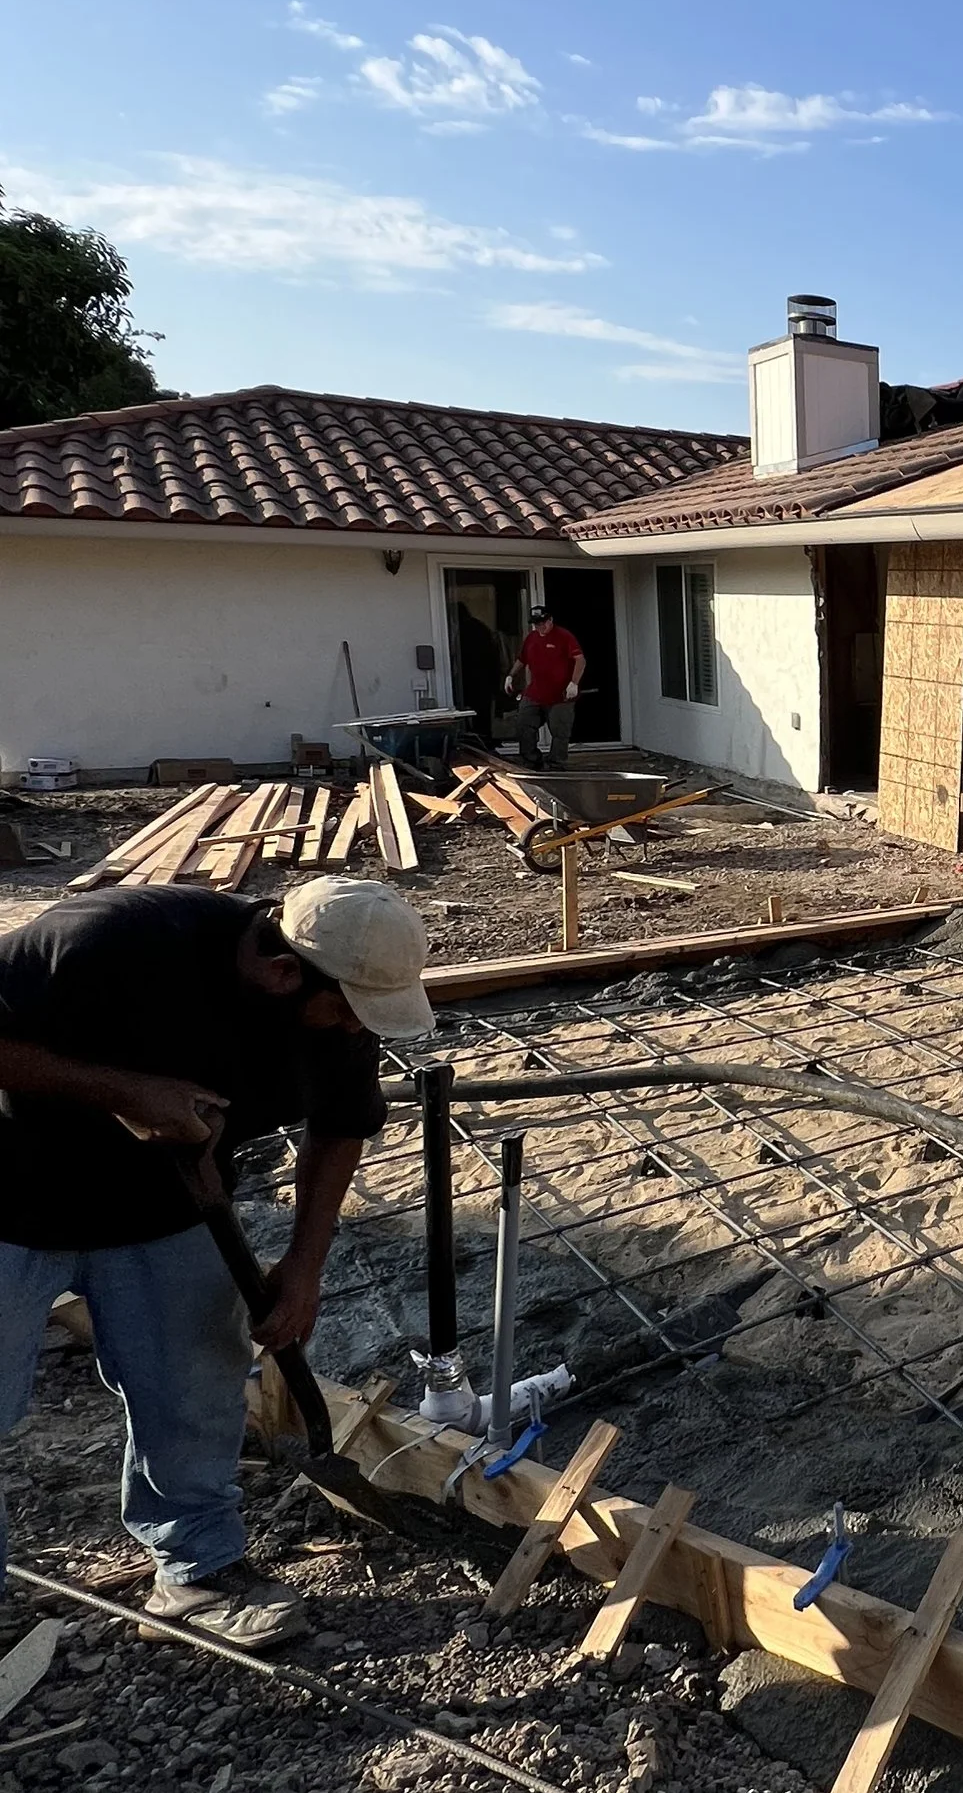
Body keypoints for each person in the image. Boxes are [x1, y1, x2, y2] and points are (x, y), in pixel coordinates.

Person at [0, 875, 434, 1648]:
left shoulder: (339, 1005)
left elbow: (341, 1127)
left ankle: (197, 1569)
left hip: (164, 1203)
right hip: (7, 1195)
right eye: (346, 1011)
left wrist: (304, 1264)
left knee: (197, 1382)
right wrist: (122, 1092)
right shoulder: (113, 942)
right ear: (281, 971)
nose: (351, 1032)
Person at [506, 602, 587, 769]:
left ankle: (556, 764)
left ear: (551, 620)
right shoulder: (532, 638)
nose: (540, 626)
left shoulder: (564, 636)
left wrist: (574, 683)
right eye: (536, 624)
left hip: (560, 695)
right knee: (524, 724)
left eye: (543, 622)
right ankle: (531, 761)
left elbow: (580, 659)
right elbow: (522, 659)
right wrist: (511, 675)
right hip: (535, 692)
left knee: (560, 731)